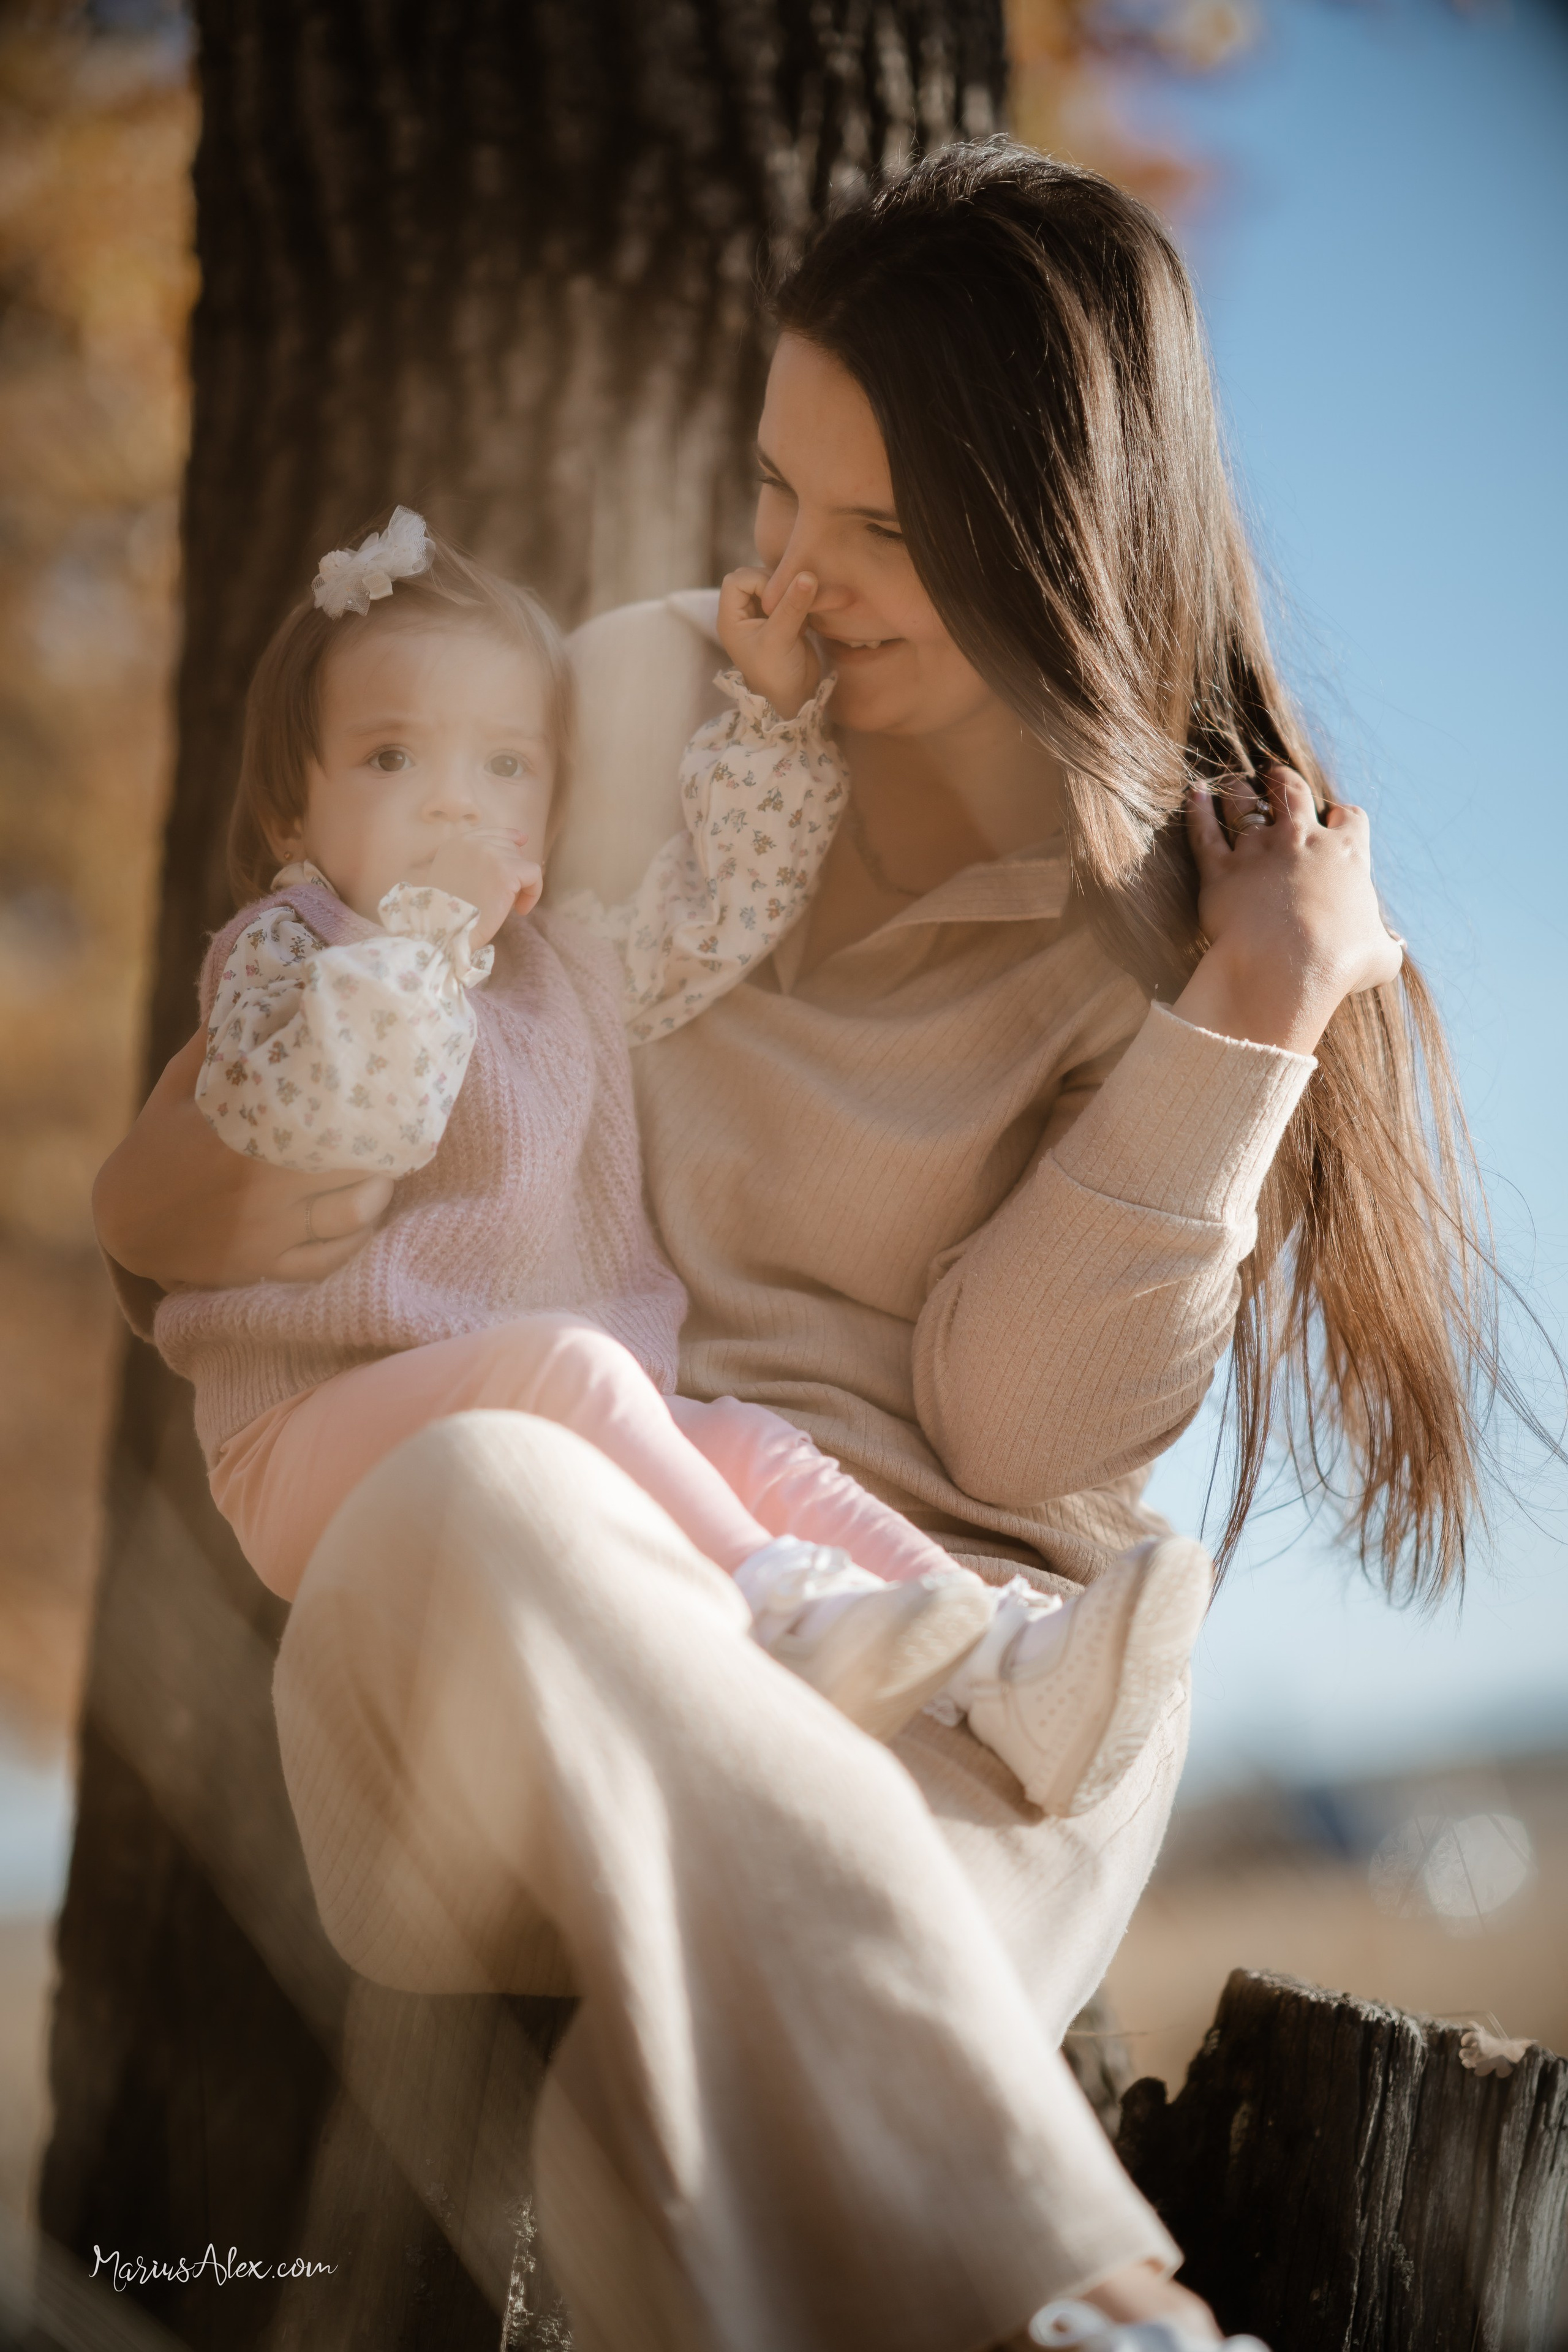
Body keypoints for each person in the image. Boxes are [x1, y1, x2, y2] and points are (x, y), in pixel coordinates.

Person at [94, 143, 1490, 2351]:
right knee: (495, 1471)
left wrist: (1247, 1022)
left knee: (654, 2182)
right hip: (494, 1631)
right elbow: (153, 1215)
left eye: (881, 532)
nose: (794, 575)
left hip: (954, 1700)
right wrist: (304, 1127)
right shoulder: (640, 701)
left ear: (1058, 538)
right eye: (773, 495)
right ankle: (1101, 2299)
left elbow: (1009, 1426)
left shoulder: (1188, 938)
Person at [163, 498, 1210, 1795]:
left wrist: (770, 712)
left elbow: (724, 913)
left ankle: (1009, 1663)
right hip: (316, 1444)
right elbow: (337, 1117)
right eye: (390, 761)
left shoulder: (563, 972)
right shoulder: (289, 950)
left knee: (752, 1448)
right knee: (570, 1365)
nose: (450, 799)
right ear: (288, 817)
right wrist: (425, 932)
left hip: (562, 1419)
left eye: (503, 767)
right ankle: (793, 1618)